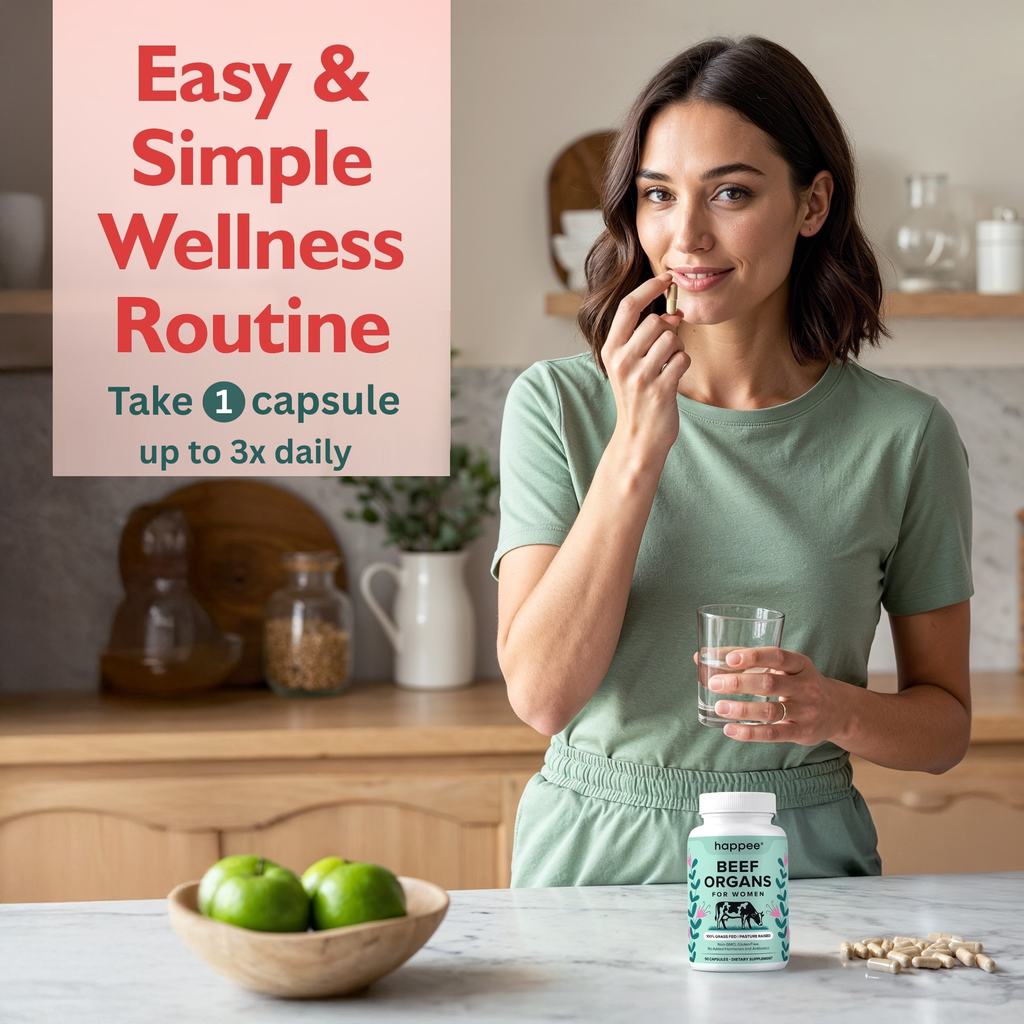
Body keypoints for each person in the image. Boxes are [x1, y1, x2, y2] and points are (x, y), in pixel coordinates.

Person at [490, 35, 973, 888]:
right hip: (593, 863)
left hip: (805, 864)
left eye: (731, 193)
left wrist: (835, 709)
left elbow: (944, 729)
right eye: (658, 196)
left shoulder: (904, 436)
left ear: (813, 202)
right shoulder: (559, 404)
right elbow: (540, 697)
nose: (687, 235)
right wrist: (638, 444)